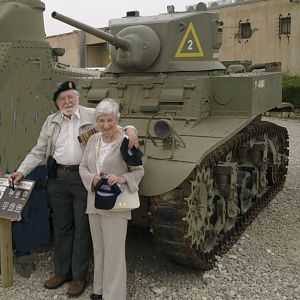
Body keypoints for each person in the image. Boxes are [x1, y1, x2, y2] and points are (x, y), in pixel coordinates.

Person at [9, 81, 138, 297]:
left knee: (83, 229)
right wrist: (22, 171)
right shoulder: (51, 122)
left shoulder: (90, 115)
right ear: (57, 103)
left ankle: (79, 277)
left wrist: (131, 129)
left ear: (78, 98)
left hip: (84, 178)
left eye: (71, 97)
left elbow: (113, 124)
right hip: (58, 178)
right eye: (63, 98)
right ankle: (62, 272)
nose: (68, 101)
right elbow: (39, 150)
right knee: (61, 227)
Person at [79, 98, 144, 300]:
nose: (106, 125)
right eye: (101, 120)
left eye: (110, 120)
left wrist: (122, 178)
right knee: (99, 249)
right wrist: (93, 180)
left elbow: (139, 171)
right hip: (95, 201)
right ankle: (98, 290)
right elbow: (82, 168)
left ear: (116, 119)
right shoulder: (92, 140)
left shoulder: (126, 141)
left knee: (114, 253)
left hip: (117, 203)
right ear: (96, 121)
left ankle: (114, 295)